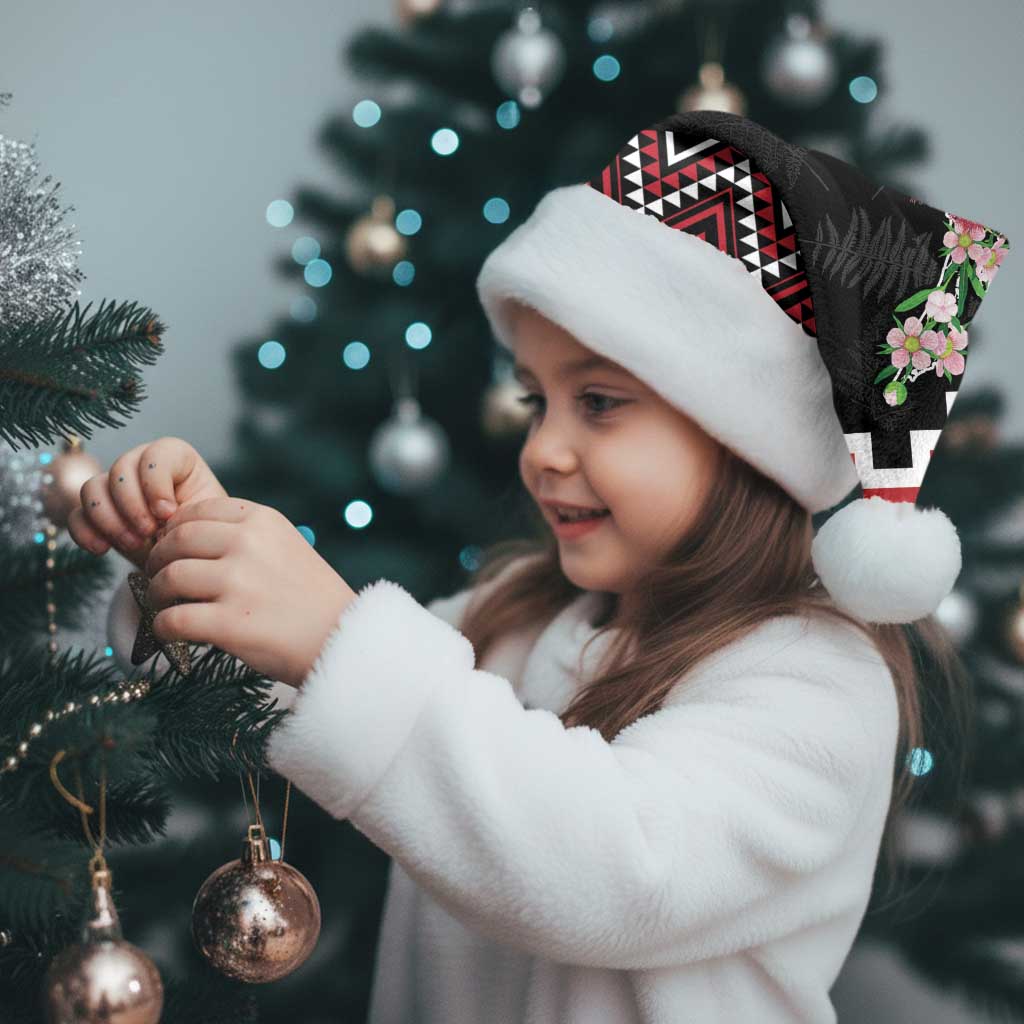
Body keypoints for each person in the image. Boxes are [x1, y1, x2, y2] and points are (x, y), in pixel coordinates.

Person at [76, 110, 1010, 1023]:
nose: (543, 450)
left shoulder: (818, 683)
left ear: (746, 442)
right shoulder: (516, 616)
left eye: (598, 403)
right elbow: (307, 690)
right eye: (536, 401)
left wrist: (334, 634)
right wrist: (192, 565)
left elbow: (614, 871)